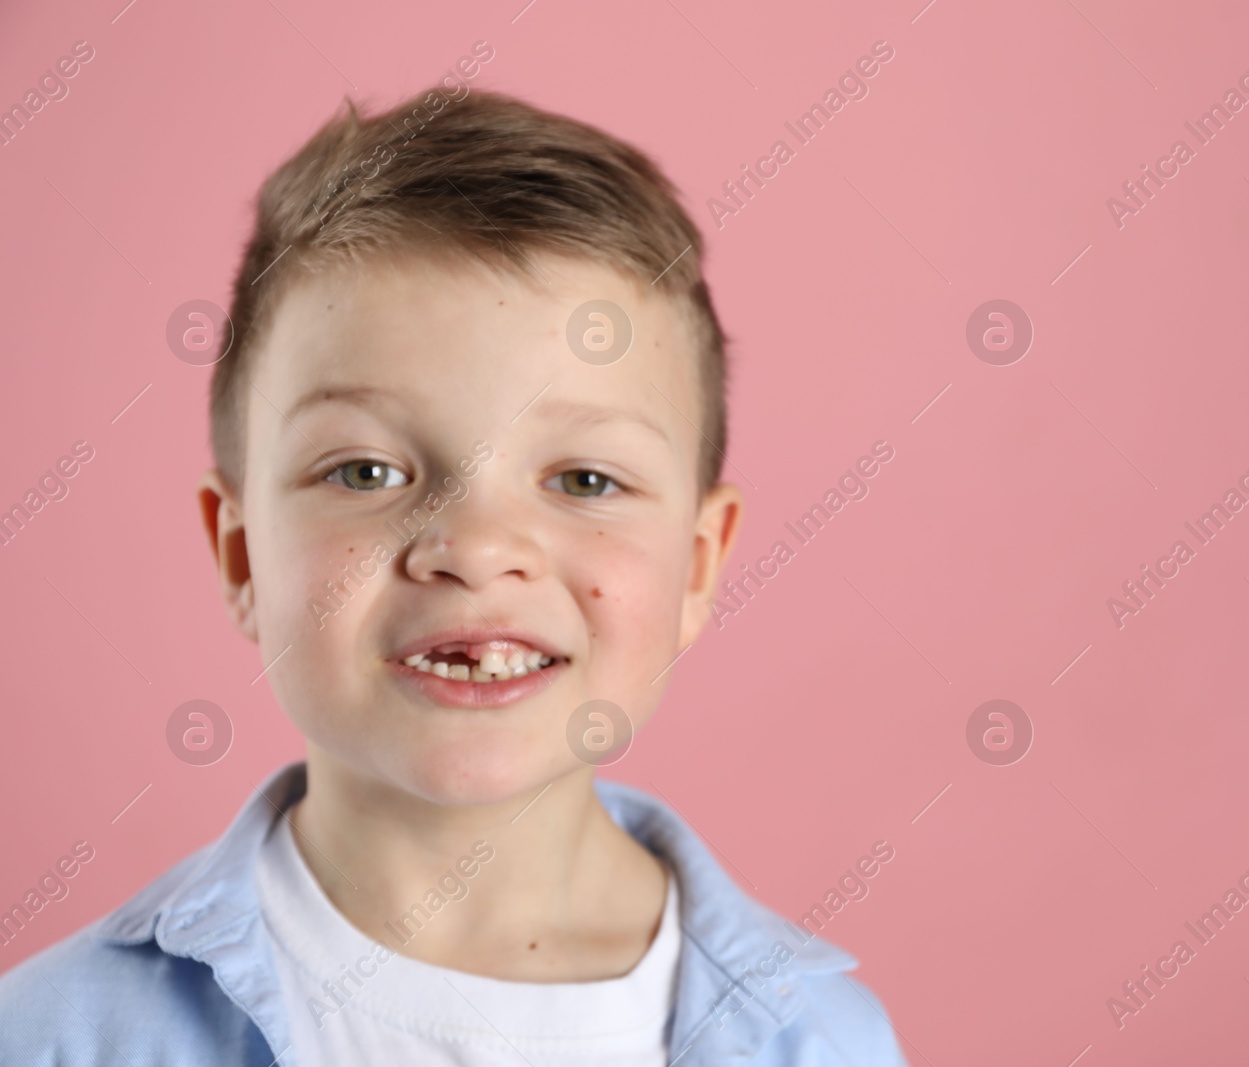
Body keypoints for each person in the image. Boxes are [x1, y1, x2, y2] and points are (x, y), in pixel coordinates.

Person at [0, 82, 907, 1066]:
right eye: (366, 471)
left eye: (584, 477)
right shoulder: (52, 1035)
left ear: (696, 566)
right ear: (243, 554)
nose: (473, 548)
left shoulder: (824, 1040)